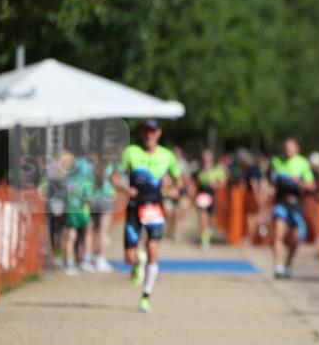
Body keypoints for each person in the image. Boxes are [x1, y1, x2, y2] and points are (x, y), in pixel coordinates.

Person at [114, 120, 182, 312]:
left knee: (153, 251)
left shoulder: (167, 156)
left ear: (159, 133)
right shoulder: (131, 153)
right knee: (129, 257)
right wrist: (126, 188)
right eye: (146, 131)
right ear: (142, 133)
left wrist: (173, 191)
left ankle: (146, 297)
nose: (149, 135)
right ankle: (137, 263)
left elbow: (179, 181)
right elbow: (114, 177)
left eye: (152, 131)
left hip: (155, 209)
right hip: (134, 208)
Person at [269, 138, 315, 279]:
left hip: (296, 205)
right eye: (286, 148)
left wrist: (299, 182)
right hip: (281, 202)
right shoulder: (276, 161)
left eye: (291, 148)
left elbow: (311, 185)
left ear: (297, 149)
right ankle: (278, 266)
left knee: (295, 237)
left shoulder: (302, 163)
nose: (288, 150)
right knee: (278, 233)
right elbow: (271, 179)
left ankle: (288, 263)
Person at [62, 156, 94, 274]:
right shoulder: (85, 181)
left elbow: (63, 196)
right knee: (88, 232)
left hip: (70, 210)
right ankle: (86, 259)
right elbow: (89, 197)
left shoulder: (67, 180)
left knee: (71, 236)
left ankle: (69, 263)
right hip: (82, 210)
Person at [87, 154, 118, 272]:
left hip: (93, 199)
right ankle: (101, 259)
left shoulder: (92, 167)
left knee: (95, 229)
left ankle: (94, 257)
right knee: (103, 231)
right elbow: (114, 181)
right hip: (106, 198)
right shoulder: (111, 167)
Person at [194, 149, 226, 250]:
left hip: (212, 196)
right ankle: (204, 240)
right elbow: (195, 183)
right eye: (204, 158)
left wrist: (215, 185)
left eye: (208, 158)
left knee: (211, 218)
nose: (206, 160)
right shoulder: (199, 171)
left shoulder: (217, 170)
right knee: (202, 218)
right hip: (202, 196)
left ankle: (209, 229)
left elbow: (223, 182)